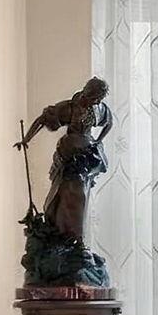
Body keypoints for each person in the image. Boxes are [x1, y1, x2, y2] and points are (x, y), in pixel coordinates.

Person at [17, 77, 114, 250]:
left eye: (98, 99)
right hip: (69, 154)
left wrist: (98, 141)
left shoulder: (98, 109)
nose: (95, 101)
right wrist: (26, 139)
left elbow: (109, 122)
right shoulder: (70, 107)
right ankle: (59, 230)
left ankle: (76, 237)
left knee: (81, 196)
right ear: (87, 91)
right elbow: (42, 119)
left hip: (86, 156)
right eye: (94, 97)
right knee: (64, 192)